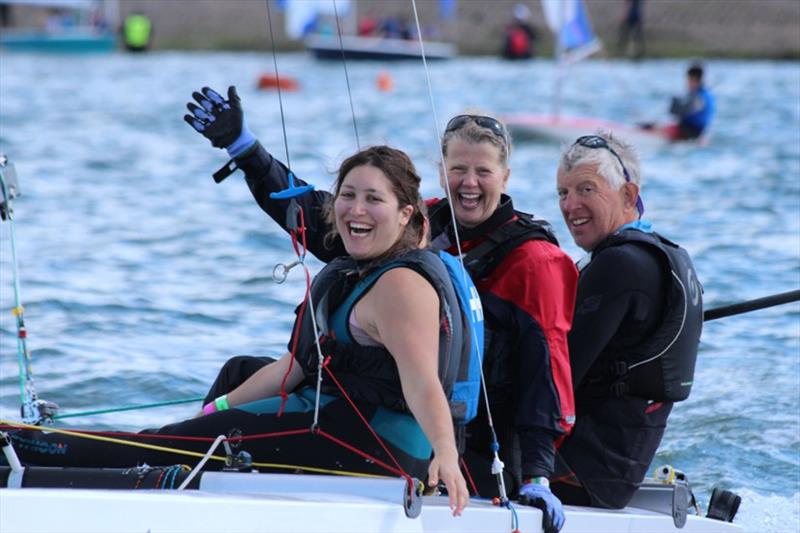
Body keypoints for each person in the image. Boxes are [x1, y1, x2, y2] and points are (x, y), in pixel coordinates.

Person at [184, 86, 578, 533]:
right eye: (458, 170)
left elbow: (548, 373)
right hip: (390, 405)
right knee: (242, 371)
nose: (469, 183)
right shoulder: (421, 224)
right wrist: (248, 151)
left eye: (483, 172)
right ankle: (203, 491)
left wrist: (538, 474)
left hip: (469, 442)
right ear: (441, 171)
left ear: (505, 177)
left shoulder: (535, 262)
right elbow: (322, 219)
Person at [10, 144, 476, 516]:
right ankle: (34, 453)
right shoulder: (356, 271)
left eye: (374, 199)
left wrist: (446, 457)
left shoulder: (400, 285)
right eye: (348, 195)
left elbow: (422, 382)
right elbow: (293, 369)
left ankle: (19, 448)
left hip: (375, 447)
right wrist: (216, 409)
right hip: (332, 421)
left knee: (160, 448)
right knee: (172, 438)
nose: (356, 208)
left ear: (406, 214)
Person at [552, 131, 703, 509]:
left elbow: (556, 382)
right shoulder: (663, 256)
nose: (571, 206)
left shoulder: (618, 265)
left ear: (628, 195)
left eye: (586, 189)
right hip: (614, 472)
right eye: (563, 193)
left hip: (578, 474)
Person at [666, 63, 715, 140]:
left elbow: (686, 111)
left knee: (658, 129)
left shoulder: (700, 97)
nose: (687, 83)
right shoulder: (701, 94)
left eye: (689, 80)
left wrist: (675, 105)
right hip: (691, 131)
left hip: (691, 133)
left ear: (694, 79)